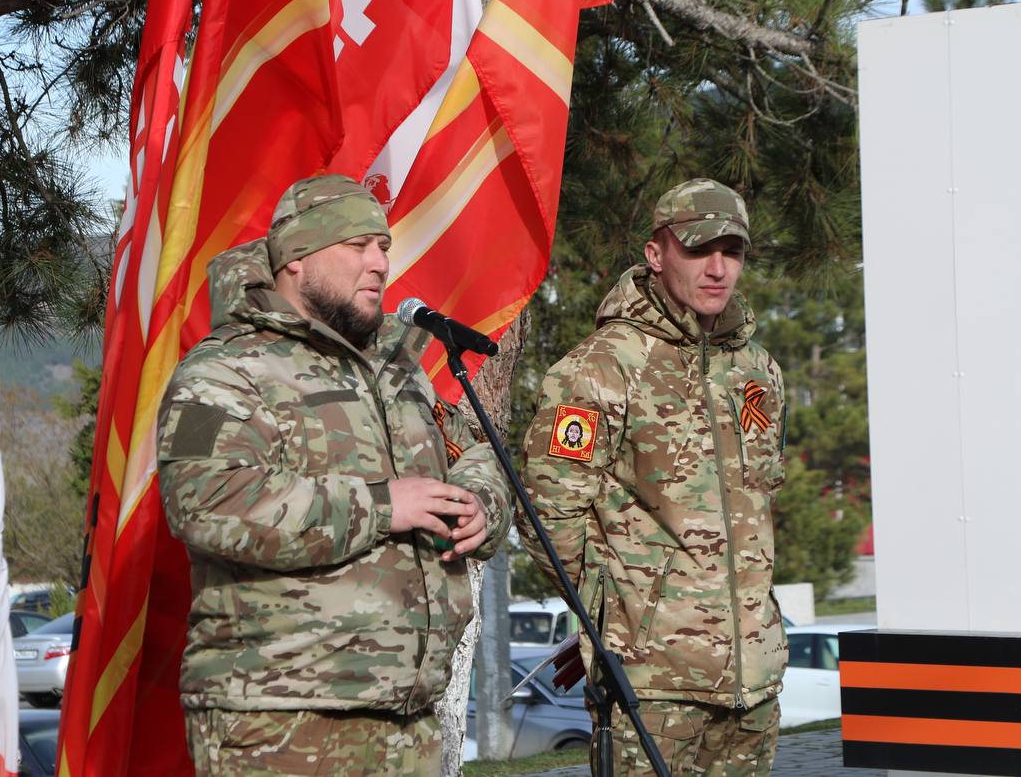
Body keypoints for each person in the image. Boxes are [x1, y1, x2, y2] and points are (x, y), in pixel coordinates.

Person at [157, 174, 511, 777]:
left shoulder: (397, 371)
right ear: (295, 258)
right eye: (357, 245)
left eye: (383, 247)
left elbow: (475, 451)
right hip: (280, 716)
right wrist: (380, 505)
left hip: (407, 715)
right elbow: (206, 504)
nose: (379, 263)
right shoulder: (224, 369)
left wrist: (481, 503)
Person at [519, 179, 787, 775]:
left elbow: (759, 506)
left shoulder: (757, 369)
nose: (718, 269)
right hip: (652, 685)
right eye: (698, 250)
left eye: (733, 251)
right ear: (655, 253)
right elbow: (547, 515)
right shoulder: (599, 370)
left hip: (755, 681)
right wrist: (619, 616)